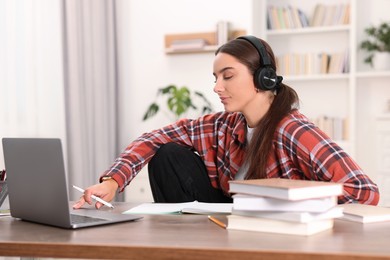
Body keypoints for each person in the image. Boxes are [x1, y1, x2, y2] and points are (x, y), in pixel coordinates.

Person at [73, 35, 380, 209]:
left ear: (264, 78)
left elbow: (364, 191)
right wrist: (113, 182)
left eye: (228, 76)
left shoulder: (294, 130)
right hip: (224, 220)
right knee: (168, 155)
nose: (217, 87)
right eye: (215, 78)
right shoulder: (222, 125)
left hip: (273, 234)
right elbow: (152, 138)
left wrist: (297, 199)